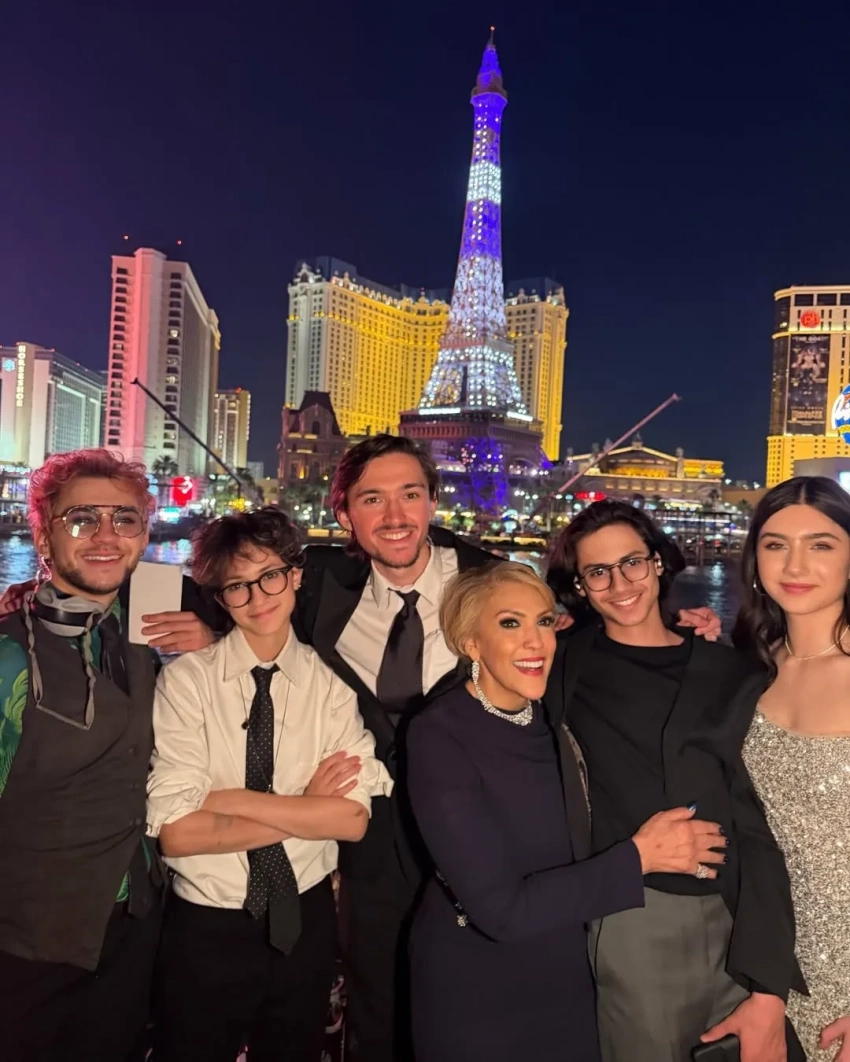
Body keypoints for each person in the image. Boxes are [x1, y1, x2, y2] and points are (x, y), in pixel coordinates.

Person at [294, 432, 722, 1062]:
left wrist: (682, 633)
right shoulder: (319, 582)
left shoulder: (492, 579)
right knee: (379, 1008)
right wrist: (204, 623)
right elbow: (247, 594)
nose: (394, 515)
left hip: (503, 841)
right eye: (372, 499)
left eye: (410, 494)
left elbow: (590, 618)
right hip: (380, 840)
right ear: (344, 514)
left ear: (433, 500)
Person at [405, 561, 727, 1062]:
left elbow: (628, 668)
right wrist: (640, 857)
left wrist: (685, 636)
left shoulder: (554, 707)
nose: (535, 642)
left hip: (572, 971)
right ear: (471, 643)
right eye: (510, 624)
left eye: (544, 621)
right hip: (480, 984)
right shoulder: (439, 735)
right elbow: (500, 910)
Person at [546, 499, 805, 1062]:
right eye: (598, 572)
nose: (620, 584)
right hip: (639, 915)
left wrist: (769, 972)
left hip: (741, 913)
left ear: (658, 563)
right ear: (581, 587)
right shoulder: (560, 666)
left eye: (632, 562)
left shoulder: (733, 670)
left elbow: (760, 814)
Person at [146, 508, 392, 1062]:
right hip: (206, 924)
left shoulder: (331, 687)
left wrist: (231, 802)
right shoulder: (187, 682)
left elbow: (352, 820)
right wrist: (306, 807)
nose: (258, 597)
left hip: (305, 920)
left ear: (296, 575)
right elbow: (178, 836)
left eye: (270, 576)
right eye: (238, 585)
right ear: (220, 596)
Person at [0, 449, 162, 1062]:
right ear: (43, 535)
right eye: (81, 519)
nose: (105, 536)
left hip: (131, 931)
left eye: (125, 519)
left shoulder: (145, 632)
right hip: (28, 944)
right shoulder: (9, 658)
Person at [735, 476, 850, 1060]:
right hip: (772, 965)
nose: (795, 564)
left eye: (821, 544)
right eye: (776, 544)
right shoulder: (750, 667)